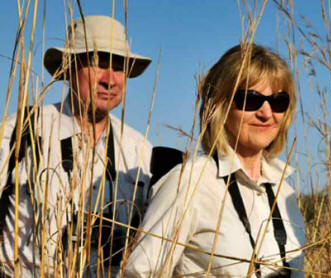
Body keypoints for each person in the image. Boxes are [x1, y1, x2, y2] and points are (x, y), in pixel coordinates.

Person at [124, 43, 306, 277]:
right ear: (219, 105)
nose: (266, 113)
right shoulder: (191, 181)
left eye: (278, 101)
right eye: (250, 99)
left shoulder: (284, 193)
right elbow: (139, 272)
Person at [0, 16, 153, 277]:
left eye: (119, 68)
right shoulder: (20, 131)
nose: (110, 79)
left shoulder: (140, 150)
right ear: (68, 68)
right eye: (98, 64)